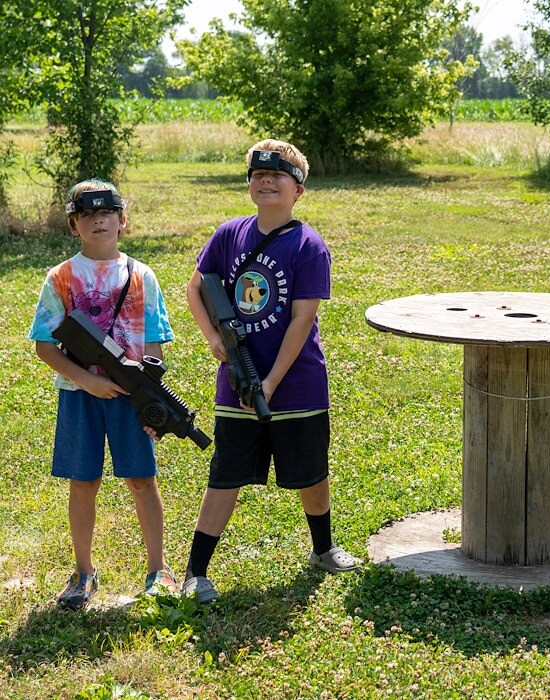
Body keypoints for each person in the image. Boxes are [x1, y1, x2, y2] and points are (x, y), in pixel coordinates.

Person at [181, 139, 361, 603]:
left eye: (278, 175)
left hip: (297, 382)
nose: (266, 181)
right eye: (258, 175)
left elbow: (302, 320)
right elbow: (196, 288)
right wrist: (213, 338)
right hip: (237, 381)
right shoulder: (228, 235)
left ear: (298, 190)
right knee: (225, 473)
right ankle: (196, 573)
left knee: (311, 471)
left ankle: (322, 548)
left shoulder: (308, 246)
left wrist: (272, 381)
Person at [29, 179, 178, 609]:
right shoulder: (60, 277)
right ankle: (83, 572)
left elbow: (153, 344)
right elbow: (44, 346)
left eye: (107, 213)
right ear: (73, 225)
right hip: (79, 396)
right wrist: (87, 380)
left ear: (122, 220)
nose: (99, 221)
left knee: (142, 480)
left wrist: (151, 398)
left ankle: (158, 569)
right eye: (88, 215)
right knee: (83, 482)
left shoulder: (142, 276)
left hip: (131, 399)